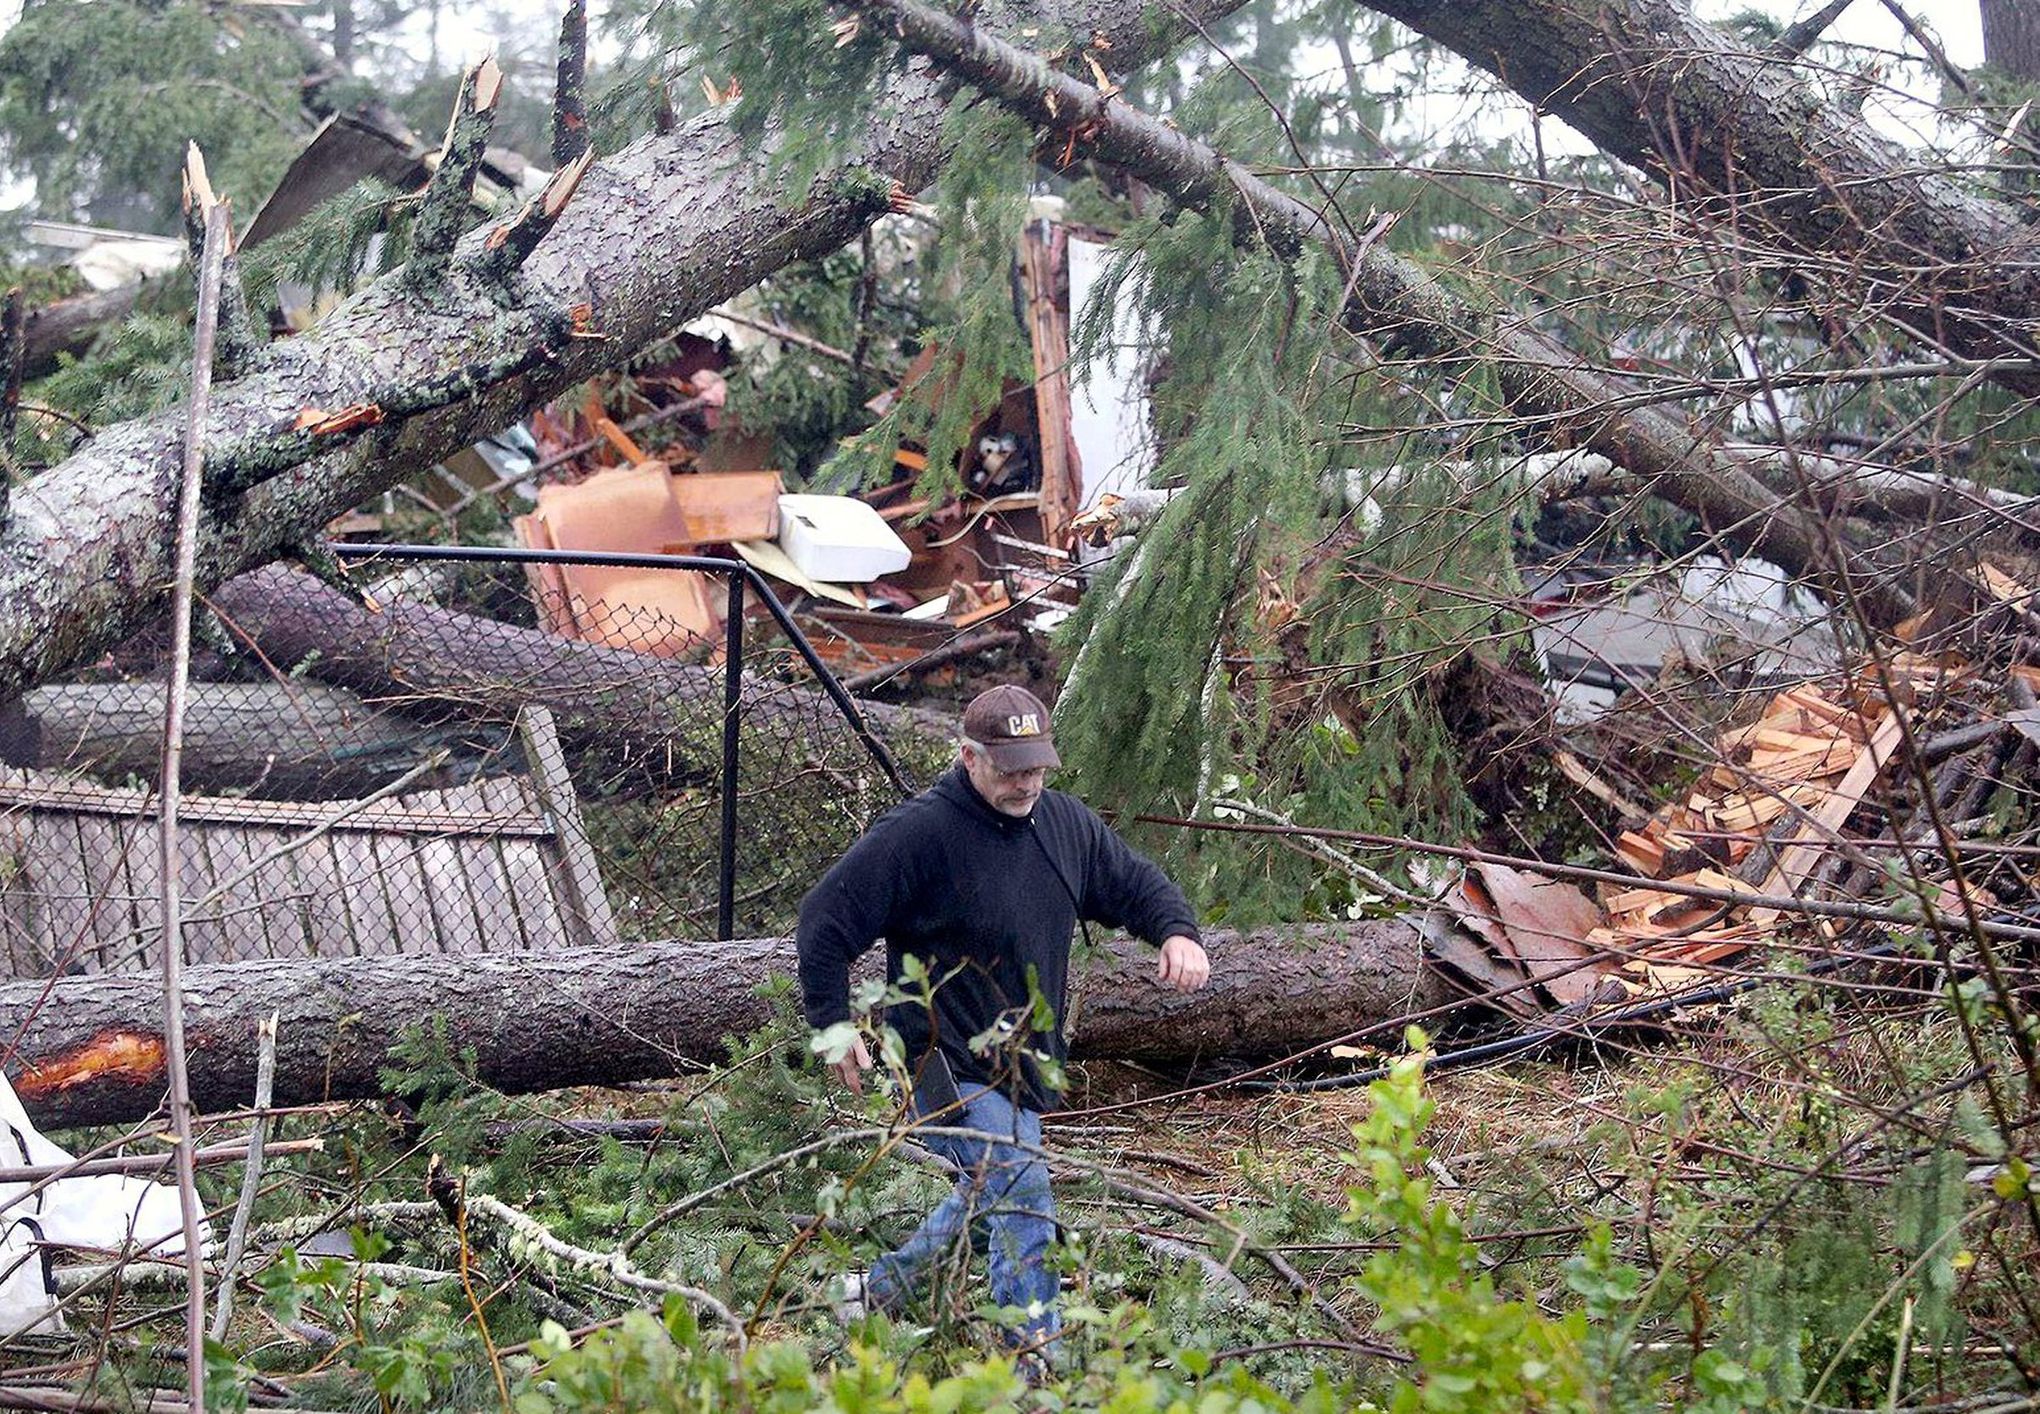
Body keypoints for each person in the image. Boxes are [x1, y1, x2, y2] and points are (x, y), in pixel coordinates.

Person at [795, 683, 1210, 1354]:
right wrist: (833, 1026)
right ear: (969, 757)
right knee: (1019, 1193)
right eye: (1012, 768)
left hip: (1023, 1060)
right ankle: (1031, 1363)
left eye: (1038, 765)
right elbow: (824, 922)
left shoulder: (1065, 824)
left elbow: (1132, 882)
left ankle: (871, 1294)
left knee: (985, 1196)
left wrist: (1176, 931)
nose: (1028, 782)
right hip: (940, 1056)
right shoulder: (919, 835)